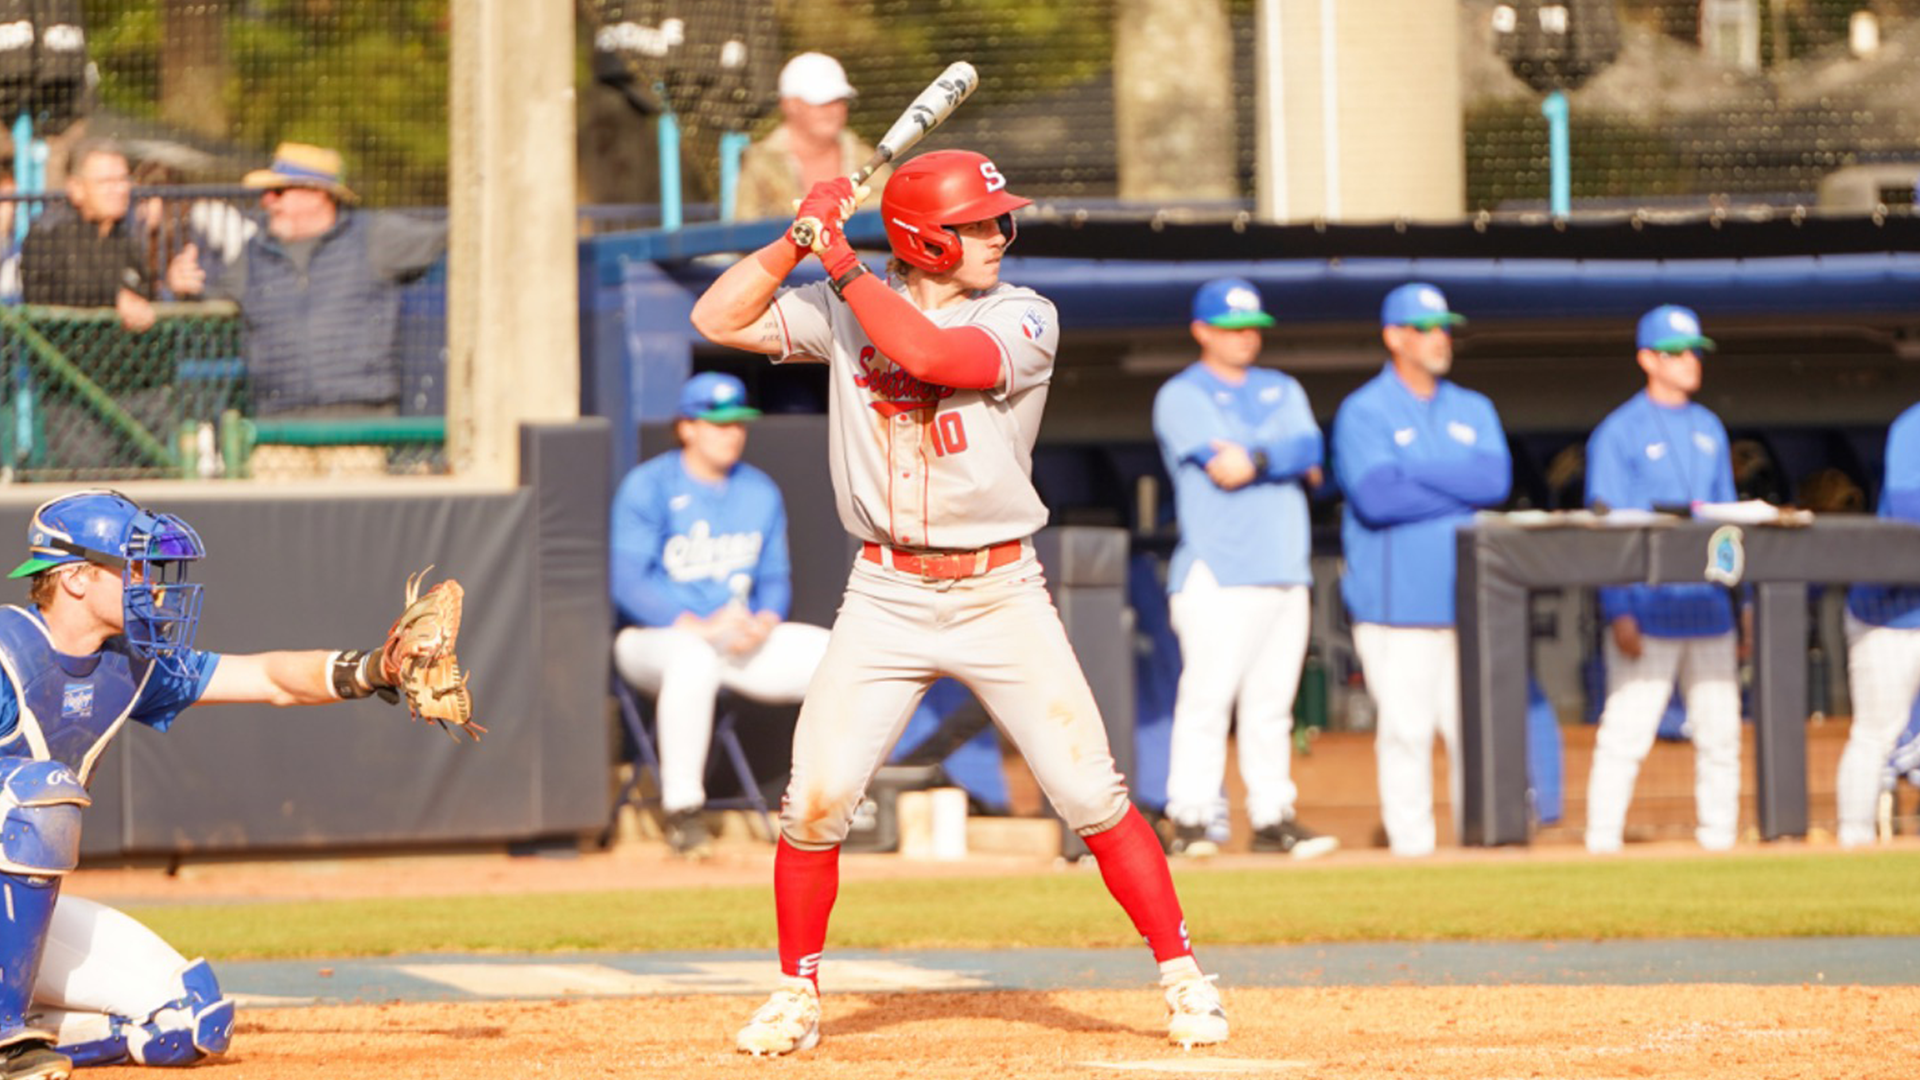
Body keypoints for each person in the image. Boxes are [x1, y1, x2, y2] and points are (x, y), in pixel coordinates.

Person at [689, 151, 1229, 1055]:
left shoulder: (1022, 313)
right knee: (813, 802)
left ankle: (1182, 976)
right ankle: (795, 992)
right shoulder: (839, 302)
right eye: (976, 223)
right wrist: (797, 237)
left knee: (1089, 793)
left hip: (998, 590)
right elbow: (717, 314)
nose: (997, 236)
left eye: (993, 220)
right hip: (886, 589)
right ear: (924, 237)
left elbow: (931, 353)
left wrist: (844, 263)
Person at [0, 489, 441, 1080]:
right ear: (76, 577)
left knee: (192, 1020)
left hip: (14, 914)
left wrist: (374, 669)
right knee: (38, 792)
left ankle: (32, 1040)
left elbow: (268, 677)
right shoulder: (8, 651)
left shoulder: (129, 664)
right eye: (133, 567)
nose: (152, 585)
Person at [1150, 276, 1335, 860]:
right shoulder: (1182, 394)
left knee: (1272, 704)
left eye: (1251, 327)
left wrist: (1257, 456)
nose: (1244, 338)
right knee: (1207, 698)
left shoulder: (1283, 385)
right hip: (1218, 569)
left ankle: (1271, 816)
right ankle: (1190, 816)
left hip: (1285, 566)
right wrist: (1273, 457)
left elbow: (1308, 452)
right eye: (1231, 327)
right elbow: (1220, 465)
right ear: (1202, 330)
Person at [609, 371, 829, 858]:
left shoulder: (759, 490)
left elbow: (774, 577)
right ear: (687, 426)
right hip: (655, 641)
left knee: (836, 656)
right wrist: (695, 625)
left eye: (737, 424)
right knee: (693, 660)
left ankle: (831, 800)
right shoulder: (649, 485)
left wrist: (766, 620)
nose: (731, 433)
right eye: (718, 423)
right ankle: (684, 811)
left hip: (734, 640)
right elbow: (627, 582)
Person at [1331, 282, 1511, 857]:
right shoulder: (1365, 409)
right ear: (1394, 337)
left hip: (1466, 599)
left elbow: (1494, 483)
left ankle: (1474, 848)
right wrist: (1455, 483)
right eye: (1426, 329)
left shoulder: (1474, 406)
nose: (1440, 339)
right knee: (1406, 733)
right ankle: (1414, 854)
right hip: (1393, 602)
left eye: (1444, 329)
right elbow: (1377, 498)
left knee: (1471, 735)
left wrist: (1418, 474)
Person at [1582, 304, 1741, 854]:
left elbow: (1727, 526)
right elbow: (1605, 530)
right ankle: (1601, 843)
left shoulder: (1709, 428)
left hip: (1707, 608)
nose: (1690, 361)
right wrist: (1618, 608)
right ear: (1647, 359)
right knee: (1627, 733)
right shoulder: (1618, 431)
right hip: (1648, 610)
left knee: (1721, 734)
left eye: (1695, 350)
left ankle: (1718, 840)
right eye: (1676, 352)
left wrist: (1733, 604)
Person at [164, 141, 447, 418]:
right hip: (279, 424)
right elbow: (210, 298)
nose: (267, 201)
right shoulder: (253, 253)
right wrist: (184, 287)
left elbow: (451, 234)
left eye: (278, 191)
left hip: (358, 423)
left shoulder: (373, 236)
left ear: (316, 195)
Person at [1836, 402, 1920, 847]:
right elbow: (1909, 505)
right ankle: (1853, 845)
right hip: (1890, 610)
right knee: (1875, 733)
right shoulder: (1913, 424)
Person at [733, 53, 892, 223]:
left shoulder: (871, 159)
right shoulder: (760, 164)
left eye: (839, 100)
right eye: (822, 101)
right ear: (790, 105)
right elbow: (744, 229)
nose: (833, 110)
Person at [20, 139, 156, 332]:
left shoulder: (125, 239)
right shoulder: (47, 234)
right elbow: (54, 294)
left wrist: (178, 289)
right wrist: (114, 298)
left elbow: (146, 297)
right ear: (76, 187)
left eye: (124, 179)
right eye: (107, 182)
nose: (120, 189)